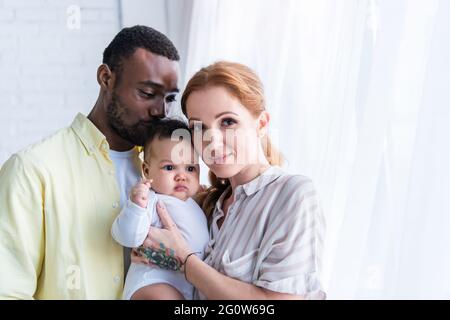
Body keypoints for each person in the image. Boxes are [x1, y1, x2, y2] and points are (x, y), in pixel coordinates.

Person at [0, 25, 180, 299]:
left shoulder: (169, 172)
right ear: (106, 78)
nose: (160, 111)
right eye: (147, 93)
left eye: (169, 98)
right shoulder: (32, 170)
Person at [134, 61, 327, 299]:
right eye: (198, 127)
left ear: (262, 123)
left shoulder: (293, 195)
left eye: (227, 122)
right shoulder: (203, 206)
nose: (212, 142)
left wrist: (185, 261)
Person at [111, 119, 209, 300]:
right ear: (147, 171)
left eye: (190, 168)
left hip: (188, 286)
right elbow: (125, 236)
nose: (181, 176)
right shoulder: (151, 200)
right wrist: (136, 207)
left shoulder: (195, 203)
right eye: (169, 167)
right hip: (153, 282)